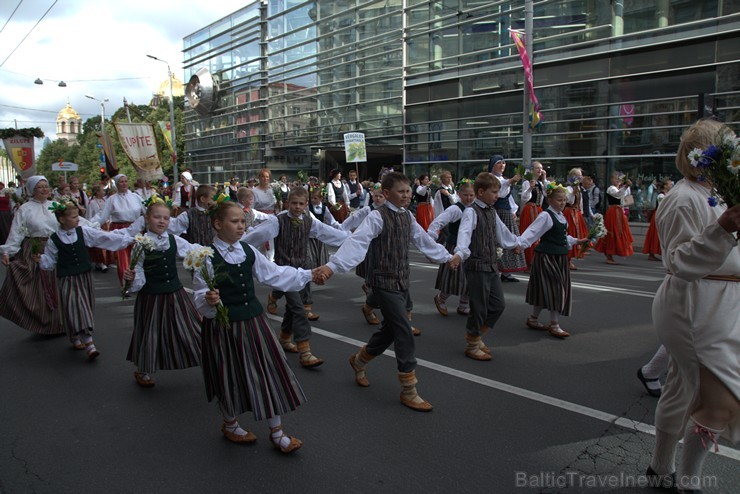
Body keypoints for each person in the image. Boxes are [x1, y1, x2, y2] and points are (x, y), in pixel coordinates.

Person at [647, 119, 740, 492]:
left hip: (724, 304)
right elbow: (679, 262)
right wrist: (721, 228)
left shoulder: (720, 193)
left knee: (680, 390)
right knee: (719, 400)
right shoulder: (683, 198)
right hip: (696, 305)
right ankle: (688, 482)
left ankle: (660, 468)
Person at [315, 172, 457, 411]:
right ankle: (409, 389)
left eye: (408, 191)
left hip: (401, 281)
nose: (406, 195)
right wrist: (332, 266)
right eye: (401, 191)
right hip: (382, 282)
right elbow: (356, 243)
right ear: (387, 193)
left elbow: (423, 241)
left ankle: (359, 361)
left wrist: (446, 257)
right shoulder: (376, 217)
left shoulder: (408, 218)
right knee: (403, 330)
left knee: (390, 331)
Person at [193, 200, 312, 451]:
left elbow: (274, 274)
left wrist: (309, 274)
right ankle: (230, 423)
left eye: (242, 222)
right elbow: (200, 293)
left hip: (254, 322)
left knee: (267, 370)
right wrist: (208, 299)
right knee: (229, 375)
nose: (241, 226)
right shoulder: (205, 257)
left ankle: (277, 431)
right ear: (217, 224)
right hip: (224, 327)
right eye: (234, 222)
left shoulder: (247, 251)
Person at [246, 187, 348, 368]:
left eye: (301, 204)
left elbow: (329, 233)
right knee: (299, 309)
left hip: (303, 271)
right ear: (288, 203)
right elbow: (256, 236)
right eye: (294, 203)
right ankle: (305, 350)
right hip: (285, 273)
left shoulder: (310, 222)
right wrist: (236, 246)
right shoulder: (278, 221)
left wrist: (352, 239)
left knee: (294, 308)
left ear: (306, 204)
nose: (297, 207)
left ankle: (285, 338)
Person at [122, 196, 203, 388]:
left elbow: (193, 251)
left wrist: (210, 253)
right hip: (151, 296)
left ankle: (206, 357)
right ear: (147, 219)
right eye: (157, 217)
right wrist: (132, 279)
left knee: (191, 327)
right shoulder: (141, 244)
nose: (162, 221)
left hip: (175, 293)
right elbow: (138, 269)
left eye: (166, 218)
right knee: (151, 332)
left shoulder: (173, 240)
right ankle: (144, 369)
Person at [38, 199, 132, 358]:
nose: (77, 219)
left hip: (84, 277)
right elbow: (50, 262)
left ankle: (75, 335)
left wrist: (128, 239)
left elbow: (103, 238)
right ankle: (89, 343)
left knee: (85, 306)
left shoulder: (83, 232)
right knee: (74, 306)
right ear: (62, 219)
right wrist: (40, 260)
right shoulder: (53, 240)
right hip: (66, 279)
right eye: (74, 217)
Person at [454, 172, 524, 360]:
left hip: (492, 265)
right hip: (477, 265)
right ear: (481, 192)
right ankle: (472, 343)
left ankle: (475, 336)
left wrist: (514, 244)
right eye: (494, 192)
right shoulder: (471, 211)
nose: (497, 196)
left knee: (498, 305)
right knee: (479, 307)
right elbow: (465, 234)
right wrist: (460, 253)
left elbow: (502, 233)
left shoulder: (492, 212)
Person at [518, 184, 589, 338]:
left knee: (545, 289)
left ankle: (533, 318)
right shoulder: (546, 215)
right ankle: (554, 324)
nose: (562, 203)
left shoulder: (561, 216)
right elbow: (532, 232)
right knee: (556, 289)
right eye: (559, 200)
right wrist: (520, 245)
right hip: (547, 257)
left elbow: (563, 237)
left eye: (564, 200)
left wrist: (578, 241)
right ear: (549, 200)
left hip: (559, 257)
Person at [0, 176, 65, 335]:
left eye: (46, 186)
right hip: (35, 248)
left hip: (55, 247)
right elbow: (17, 232)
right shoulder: (25, 209)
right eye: (40, 187)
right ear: (32, 190)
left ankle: (62, 322)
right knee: (40, 287)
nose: (44, 189)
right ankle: (45, 322)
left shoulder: (55, 205)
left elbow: (70, 222)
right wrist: (8, 251)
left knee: (59, 284)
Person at [427, 179, 475, 317]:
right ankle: (441, 299)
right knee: (454, 276)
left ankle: (464, 304)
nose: (469, 198)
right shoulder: (455, 209)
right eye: (466, 195)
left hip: (470, 247)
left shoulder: (474, 209)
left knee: (470, 277)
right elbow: (438, 222)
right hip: (455, 246)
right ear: (459, 194)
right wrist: (431, 237)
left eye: (471, 195)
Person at [90, 174, 145, 285]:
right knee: (123, 258)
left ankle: (139, 282)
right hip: (120, 230)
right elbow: (102, 216)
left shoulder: (136, 197)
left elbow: (146, 210)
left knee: (137, 257)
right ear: (116, 184)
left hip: (136, 228)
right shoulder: (112, 199)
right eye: (121, 182)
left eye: (126, 181)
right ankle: (126, 284)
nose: (124, 184)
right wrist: (89, 226)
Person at [488, 155, 526, 281]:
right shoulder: (491, 178)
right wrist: (510, 181)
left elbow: (508, 196)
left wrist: (513, 210)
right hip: (497, 212)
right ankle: (496, 269)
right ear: (493, 165)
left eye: (503, 163)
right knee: (498, 239)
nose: (502, 165)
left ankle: (506, 272)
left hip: (505, 212)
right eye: (499, 163)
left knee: (509, 238)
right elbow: (498, 190)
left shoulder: (502, 179)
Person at [595, 173, 634, 265]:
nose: (618, 180)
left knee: (619, 231)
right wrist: (625, 186)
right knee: (612, 231)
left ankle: (612, 252)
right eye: (616, 179)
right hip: (613, 211)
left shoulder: (621, 188)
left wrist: (627, 187)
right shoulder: (611, 188)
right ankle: (609, 254)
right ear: (611, 180)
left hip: (620, 211)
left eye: (619, 179)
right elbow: (617, 195)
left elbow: (626, 199)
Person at [519, 161, 548, 269]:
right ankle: (528, 261)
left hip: (538, 209)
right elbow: (524, 198)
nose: (540, 170)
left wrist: (544, 179)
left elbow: (546, 193)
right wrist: (530, 188)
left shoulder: (540, 183)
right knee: (529, 233)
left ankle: (537, 260)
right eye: (537, 168)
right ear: (532, 170)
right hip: (530, 209)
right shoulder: (527, 183)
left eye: (541, 168)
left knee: (539, 235)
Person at [642, 179, 673, 261]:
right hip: (659, 215)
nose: (671, 185)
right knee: (655, 234)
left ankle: (658, 252)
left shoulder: (667, 195)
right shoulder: (661, 196)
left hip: (663, 214)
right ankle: (652, 252)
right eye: (669, 184)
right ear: (665, 186)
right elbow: (662, 206)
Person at [564, 168, 589, 270]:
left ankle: (570, 258)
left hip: (576, 213)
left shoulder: (579, 188)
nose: (580, 178)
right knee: (571, 233)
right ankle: (567, 259)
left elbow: (580, 202)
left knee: (577, 234)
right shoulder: (569, 189)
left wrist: (581, 213)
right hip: (569, 213)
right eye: (578, 176)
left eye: (581, 176)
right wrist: (573, 193)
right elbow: (567, 200)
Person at [252, 168, 278, 260]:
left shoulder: (273, 190)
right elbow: (252, 208)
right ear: (259, 177)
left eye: (267, 177)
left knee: (271, 245)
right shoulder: (254, 191)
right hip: (259, 220)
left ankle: (270, 262)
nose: (265, 178)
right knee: (260, 244)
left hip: (271, 219)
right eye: (262, 176)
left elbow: (277, 206)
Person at [86, 184, 113, 272]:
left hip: (105, 224)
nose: (103, 192)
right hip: (97, 225)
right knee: (99, 244)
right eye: (102, 190)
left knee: (106, 243)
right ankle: (101, 262)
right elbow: (89, 215)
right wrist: (91, 225)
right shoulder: (92, 202)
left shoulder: (105, 200)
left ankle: (104, 261)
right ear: (97, 192)